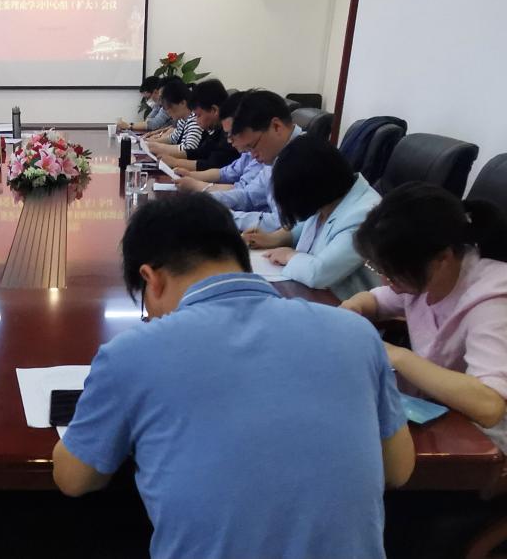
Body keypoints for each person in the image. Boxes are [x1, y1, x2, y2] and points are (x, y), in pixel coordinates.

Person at [52, 194, 414, 559]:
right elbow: (398, 469)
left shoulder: (130, 355)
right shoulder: (356, 334)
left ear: (151, 278)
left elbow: (74, 479)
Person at [342, 183, 507, 449]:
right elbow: (376, 300)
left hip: (483, 443)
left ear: (442, 259)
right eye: (379, 269)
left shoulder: (492, 301)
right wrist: (351, 309)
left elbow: (490, 406)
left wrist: (397, 355)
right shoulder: (424, 272)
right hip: (435, 411)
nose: (386, 281)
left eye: (393, 273)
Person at [248, 135, 381, 299]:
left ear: (312, 190)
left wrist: (289, 255)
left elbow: (320, 274)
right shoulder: (330, 197)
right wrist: (272, 238)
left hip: (345, 304)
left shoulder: (365, 216)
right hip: (313, 293)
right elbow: (304, 224)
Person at [226, 90, 303, 235]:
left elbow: (283, 223)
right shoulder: (276, 156)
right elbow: (249, 196)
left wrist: (227, 217)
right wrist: (208, 201)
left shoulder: (302, 159)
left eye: (253, 146)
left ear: (276, 126)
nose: (253, 156)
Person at [174, 91, 263, 199]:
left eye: (233, 134)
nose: (229, 141)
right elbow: (225, 173)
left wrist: (196, 186)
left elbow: (245, 195)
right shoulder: (249, 152)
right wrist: (191, 175)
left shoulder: (266, 158)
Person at [151, 79, 237, 171]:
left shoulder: (229, 133)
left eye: (198, 115)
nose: (196, 120)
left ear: (214, 110)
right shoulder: (215, 130)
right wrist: (167, 154)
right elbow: (200, 152)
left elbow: (212, 165)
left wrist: (175, 162)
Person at [145, 78, 202, 156]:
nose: (167, 111)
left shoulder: (195, 120)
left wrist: (159, 147)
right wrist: (149, 142)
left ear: (182, 103)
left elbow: (188, 149)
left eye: (169, 106)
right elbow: (173, 138)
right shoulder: (182, 119)